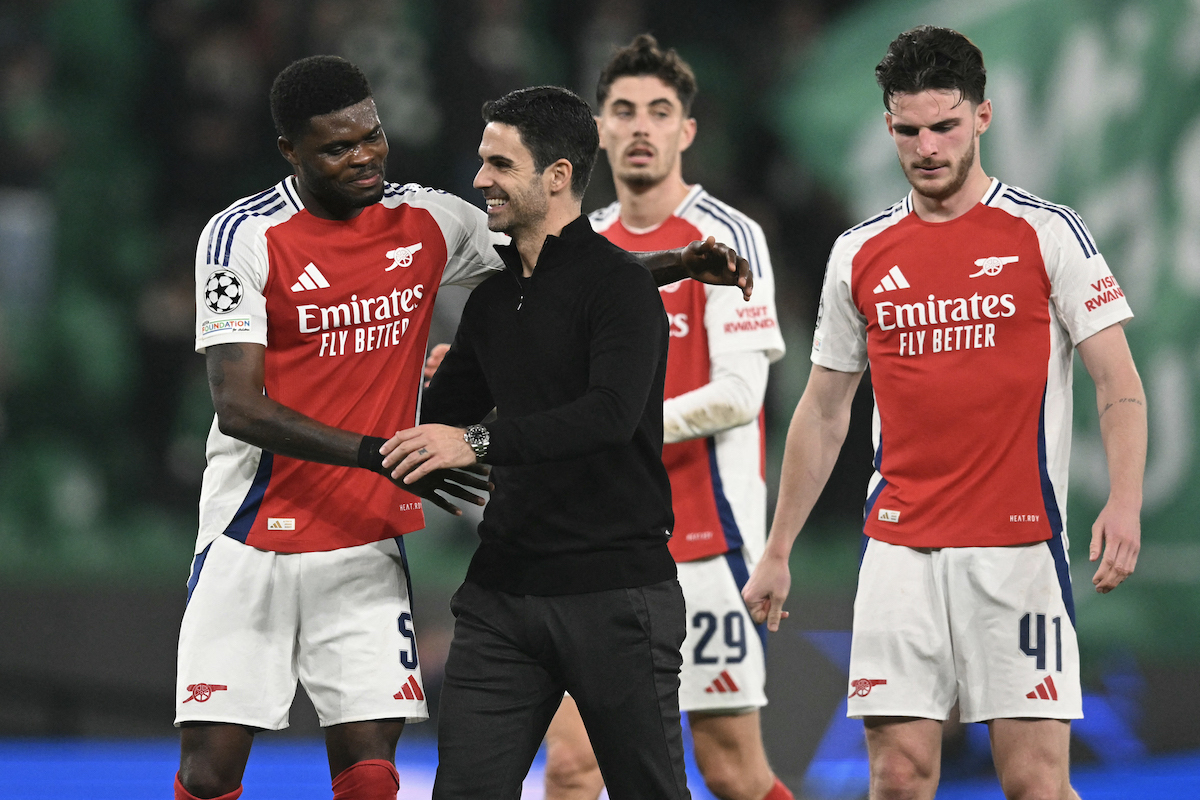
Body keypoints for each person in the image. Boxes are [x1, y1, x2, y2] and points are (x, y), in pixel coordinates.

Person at [179, 56, 753, 800]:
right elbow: (238, 407)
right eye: (336, 147)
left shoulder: (430, 219)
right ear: (290, 151)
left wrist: (671, 263)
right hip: (251, 533)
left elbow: (559, 268)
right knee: (208, 773)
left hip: (367, 537)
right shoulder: (240, 238)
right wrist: (384, 448)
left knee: (373, 779)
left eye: (372, 137)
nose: (363, 158)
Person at [742, 26, 1146, 800]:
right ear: (888, 125)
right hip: (899, 554)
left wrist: (1122, 503)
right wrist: (779, 546)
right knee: (896, 777)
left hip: (1019, 553)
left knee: (1034, 782)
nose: (927, 146)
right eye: (907, 130)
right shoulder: (859, 252)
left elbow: (1119, 383)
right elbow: (825, 412)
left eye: (945, 126)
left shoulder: (1045, 232)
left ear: (983, 118)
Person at [381, 85, 691, 800]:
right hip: (503, 598)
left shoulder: (619, 288)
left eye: (499, 164)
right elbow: (436, 415)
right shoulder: (491, 300)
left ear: (556, 176)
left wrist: (478, 440)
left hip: (615, 594)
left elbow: (608, 416)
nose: (480, 179)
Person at [542, 34, 792, 800]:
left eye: (660, 111)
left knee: (730, 770)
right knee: (572, 766)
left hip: (704, 543)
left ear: (686, 131)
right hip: (588, 547)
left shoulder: (727, 238)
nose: (641, 126)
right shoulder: (574, 250)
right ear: (599, 129)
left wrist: (617, 420)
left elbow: (738, 396)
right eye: (624, 110)